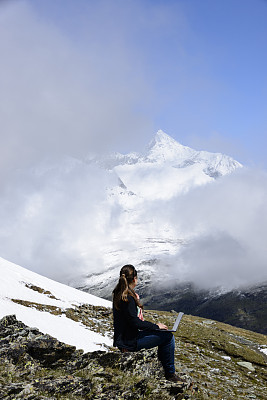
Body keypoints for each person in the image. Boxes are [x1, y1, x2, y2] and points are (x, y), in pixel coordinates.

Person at [112, 264, 184, 382]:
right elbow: (134, 322)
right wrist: (156, 326)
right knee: (168, 337)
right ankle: (170, 374)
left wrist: (153, 327)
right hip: (130, 342)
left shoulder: (119, 294)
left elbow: (130, 321)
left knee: (162, 334)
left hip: (124, 340)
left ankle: (164, 369)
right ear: (134, 279)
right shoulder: (128, 298)